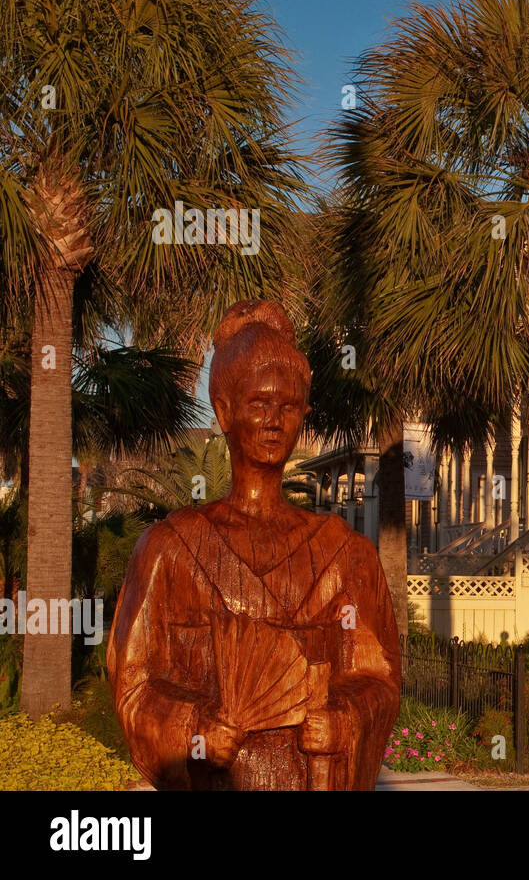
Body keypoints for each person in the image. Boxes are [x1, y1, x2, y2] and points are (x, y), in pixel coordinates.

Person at [107, 300, 400, 790]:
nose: (273, 422)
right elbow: (133, 682)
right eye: (259, 405)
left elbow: (379, 678)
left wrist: (345, 718)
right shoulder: (169, 550)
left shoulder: (347, 556)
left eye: (288, 407)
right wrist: (194, 729)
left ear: (303, 415)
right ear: (223, 411)